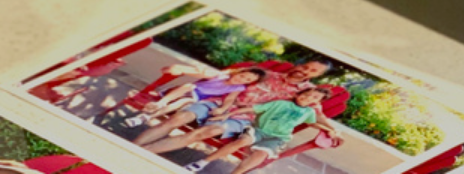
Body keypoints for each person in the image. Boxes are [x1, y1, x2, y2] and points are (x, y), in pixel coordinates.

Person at [176, 88, 344, 174]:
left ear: (317, 102)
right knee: (242, 141)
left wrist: (330, 130)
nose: (308, 98)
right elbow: (252, 109)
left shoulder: (309, 112)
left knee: (260, 155)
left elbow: (313, 124)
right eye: (307, 94)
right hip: (258, 129)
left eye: (314, 98)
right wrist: (229, 114)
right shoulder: (280, 103)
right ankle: (203, 162)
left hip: (277, 138)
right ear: (298, 94)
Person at [125, 68, 266, 144]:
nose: (242, 80)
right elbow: (201, 72)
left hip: (196, 97)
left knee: (184, 102)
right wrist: (182, 69)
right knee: (188, 86)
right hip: (184, 90)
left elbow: (230, 99)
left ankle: (145, 117)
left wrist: (222, 109)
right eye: (242, 76)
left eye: (247, 80)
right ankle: (160, 103)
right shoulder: (220, 76)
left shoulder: (238, 88)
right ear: (239, 72)